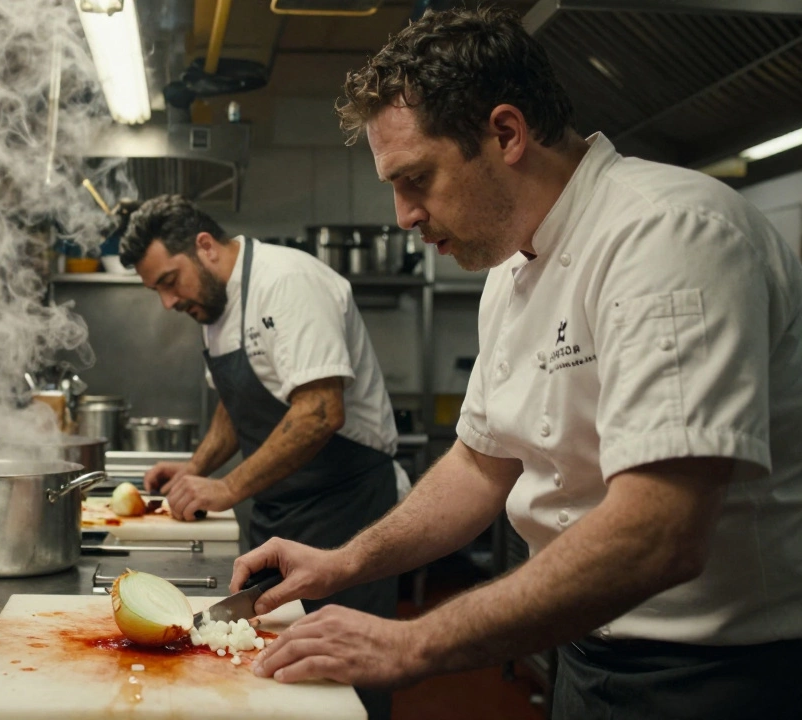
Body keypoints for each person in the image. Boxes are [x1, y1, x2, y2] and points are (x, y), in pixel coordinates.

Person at [231, 7, 802, 719]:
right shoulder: (510, 271)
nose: (404, 214)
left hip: (715, 676)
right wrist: (345, 561)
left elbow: (660, 532)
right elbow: (481, 466)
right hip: (586, 652)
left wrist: (413, 644)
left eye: (416, 179)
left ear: (506, 134)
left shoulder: (668, 234)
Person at [119, 194, 402, 719]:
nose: (167, 301)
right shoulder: (216, 307)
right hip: (284, 514)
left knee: (344, 682)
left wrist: (226, 488)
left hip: (350, 511)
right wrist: (196, 468)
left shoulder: (286, 282)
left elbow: (320, 411)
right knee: (280, 679)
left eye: (168, 281)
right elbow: (236, 404)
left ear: (204, 247)